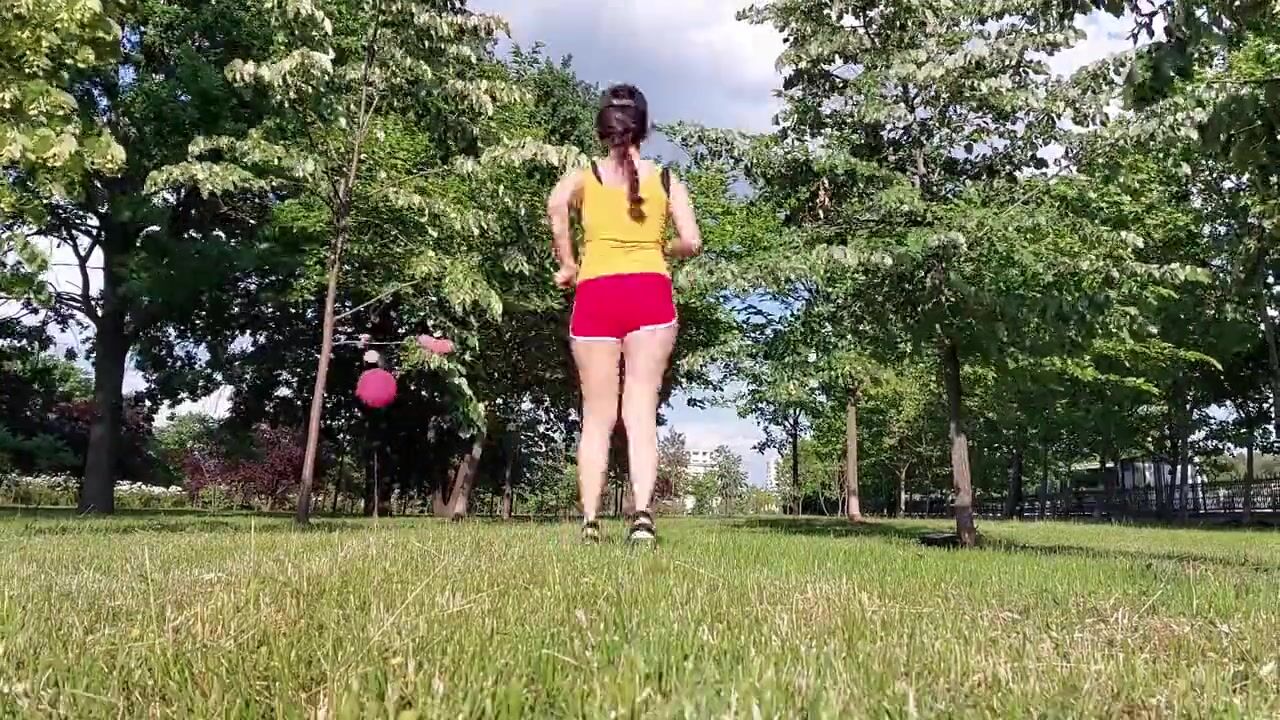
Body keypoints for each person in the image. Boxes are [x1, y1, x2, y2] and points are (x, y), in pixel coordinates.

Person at [545, 84, 703, 543]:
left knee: (597, 416)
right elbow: (692, 242)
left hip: (596, 294)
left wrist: (568, 263)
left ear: (603, 129)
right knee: (640, 412)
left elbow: (555, 205)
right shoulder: (667, 179)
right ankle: (643, 519)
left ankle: (591, 523)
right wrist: (660, 246)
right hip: (650, 293)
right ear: (644, 129)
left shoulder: (585, 177)